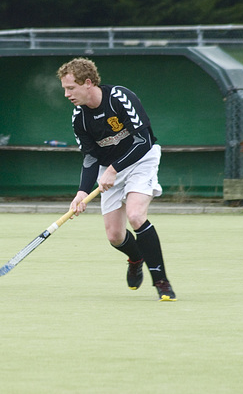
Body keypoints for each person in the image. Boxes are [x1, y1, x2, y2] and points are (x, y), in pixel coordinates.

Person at [57, 57, 176, 301]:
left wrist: (114, 168)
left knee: (135, 215)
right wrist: (81, 191)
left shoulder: (119, 98)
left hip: (142, 160)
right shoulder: (78, 117)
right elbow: (90, 157)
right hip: (109, 168)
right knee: (115, 235)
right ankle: (135, 258)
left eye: (71, 88)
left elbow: (143, 141)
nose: (67, 94)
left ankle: (161, 281)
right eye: (64, 89)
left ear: (88, 83)